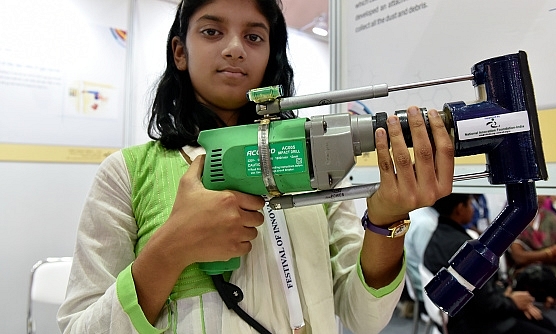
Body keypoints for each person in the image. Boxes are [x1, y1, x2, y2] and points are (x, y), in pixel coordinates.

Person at [57, 0, 455, 333]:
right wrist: (170, 249)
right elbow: (80, 327)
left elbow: (363, 317)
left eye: (254, 36)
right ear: (180, 51)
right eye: (212, 31)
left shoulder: (314, 160)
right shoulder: (126, 173)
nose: (235, 48)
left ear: (271, 54)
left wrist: (385, 222)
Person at [423, 193, 556, 334]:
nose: (473, 209)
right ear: (459, 208)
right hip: (480, 323)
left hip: (466, 317)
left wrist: (508, 296)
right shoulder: (461, 247)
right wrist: (512, 302)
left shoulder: (437, 238)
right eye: (470, 204)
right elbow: (484, 303)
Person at [403, 207, 438, 310]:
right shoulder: (425, 224)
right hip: (427, 291)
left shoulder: (416, 214)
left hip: (419, 283)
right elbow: (432, 264)